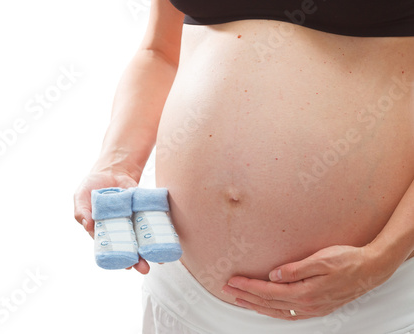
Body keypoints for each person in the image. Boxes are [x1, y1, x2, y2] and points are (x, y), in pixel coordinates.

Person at [74, 0, 414, 332]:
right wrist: (118, 160)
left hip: (365, 308)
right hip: (184, 299)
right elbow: (160, 53)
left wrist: (382, 258)